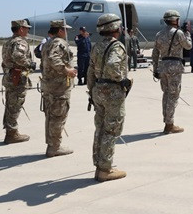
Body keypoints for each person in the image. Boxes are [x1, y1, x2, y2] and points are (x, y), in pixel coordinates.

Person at [87, 13, 131, 182]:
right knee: (111, 130)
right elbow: (113, 65)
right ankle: (106, 169)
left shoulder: (97, 46)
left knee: (100, 127)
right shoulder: (116, 46)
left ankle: (99, 164)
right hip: (112, 92)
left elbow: (90, 71)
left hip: (98, 89)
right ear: (114, 28)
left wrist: (92, 91)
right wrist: (122, 79)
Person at [41, 19, 77, 157]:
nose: (66, 32)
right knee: (58, 116)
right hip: (59, 86)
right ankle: (54, 147)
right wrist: (66, 70)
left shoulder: (48, 43)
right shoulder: (58, 43)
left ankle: (52, 144)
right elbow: (53, 59)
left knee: (51, 116)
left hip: (49, 85)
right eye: (65, 30)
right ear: (60, 30)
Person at [152, 10, 192, 134]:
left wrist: (155, 69)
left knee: (166, 94)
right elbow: (188, 46)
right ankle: (169, 125)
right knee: (173, 96)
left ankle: (167, 121)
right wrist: (188, 33)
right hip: (174, 67)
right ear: (175, 20)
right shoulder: (179, 33)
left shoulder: (159, 34)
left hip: (163, 66)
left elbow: (155, 53)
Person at [1, 19, 35, 144]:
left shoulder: (8, 42)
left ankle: (10, 130)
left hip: (9, 76)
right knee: (15, 105)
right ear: (21, 29)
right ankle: (12, 133)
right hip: (17, 77)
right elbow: (18, 56)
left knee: (10, 104)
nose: (28, 30)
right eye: (26, 28)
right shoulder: (20, 42)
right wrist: (29, 64)